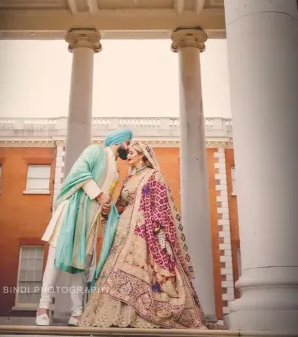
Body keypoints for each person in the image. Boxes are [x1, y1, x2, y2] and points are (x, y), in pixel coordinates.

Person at [79, 141, 208, 330]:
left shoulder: (154, 176)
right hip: (124, 231)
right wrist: (107, 210)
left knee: (146, 269)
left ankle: (143, 315)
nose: (128, 155)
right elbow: (121, 206)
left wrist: (157, 232)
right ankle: (116, 316)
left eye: (132, 152)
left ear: (142, 156)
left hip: (147, 232)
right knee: (114, 268)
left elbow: (162, 207)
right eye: (128, 152)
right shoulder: (127, 180)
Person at [35, 128, 132, 327]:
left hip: (91, 221)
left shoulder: (116, 170)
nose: (129, 148)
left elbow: (107, 198)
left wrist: (106, 207)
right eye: (128, 143)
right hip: (71, 213)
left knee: (81, 267)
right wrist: (98, 195)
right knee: (54, 261)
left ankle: (77, 313)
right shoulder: (95, 151)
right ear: (119, 141)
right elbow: (79, 171)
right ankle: (43, 307)